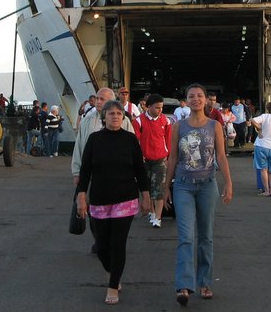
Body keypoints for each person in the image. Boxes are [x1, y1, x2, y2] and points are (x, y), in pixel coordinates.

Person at [163, 84, 233, 306]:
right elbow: (172, 158)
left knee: (206, 236)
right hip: (183, 185)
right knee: (186, 236)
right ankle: (183, 285)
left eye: (199, 96)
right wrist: (166, 187)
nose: (196, 99)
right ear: (186, 100)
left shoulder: (214, 126)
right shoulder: (178, 127)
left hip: (207, 186)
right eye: (191, 96)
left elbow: (221, 157)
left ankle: (205, 281)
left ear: (206, 100)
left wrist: (229, 183)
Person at [76, 100, 151, 305]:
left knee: (118, 243)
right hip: (99, 198)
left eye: (119, 113)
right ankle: (113, 271)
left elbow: (140, 170)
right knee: (101, 246)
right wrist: (81, 195)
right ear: (104, 117)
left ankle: (113, 285)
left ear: (124, 117)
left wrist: (146, 195)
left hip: (125, 198)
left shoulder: (130, 139)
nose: (116, 116)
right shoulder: (94, 139)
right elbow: (85, 170)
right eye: (111, 113)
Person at [72, 88, 135, 253]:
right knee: (93, 211)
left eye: (102, 99)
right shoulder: (88, 120)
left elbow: (134, 148)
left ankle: (111, 241)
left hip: (118, 176)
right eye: (98, 98)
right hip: (93, 175)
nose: (98, 102)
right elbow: (79, 147)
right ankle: (99, 240)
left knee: (116, 211)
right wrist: (76, 172)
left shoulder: (124, 121)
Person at [133, 94, 172, 228]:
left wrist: (168, 156)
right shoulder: (138, 121)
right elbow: (135, 141)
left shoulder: (165, 121)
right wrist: (138, 156)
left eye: (161, 107)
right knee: (147, 188)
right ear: (148, 107)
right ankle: (151, 212)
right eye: (157, 108)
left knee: (159, 189)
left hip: (160, 159)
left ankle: (157, 217)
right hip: (144, 160)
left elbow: (169, 140)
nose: (160, 110)